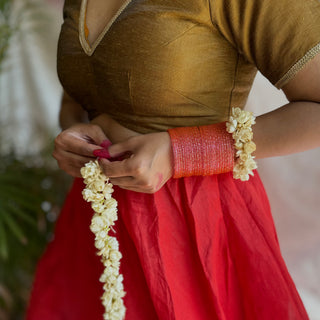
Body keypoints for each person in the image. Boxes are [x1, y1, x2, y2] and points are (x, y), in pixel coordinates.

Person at [27, 0, 320, 319]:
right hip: (96, 225)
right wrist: (72, 132)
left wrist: (183, 151)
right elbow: (82, 91)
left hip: (194, 227)